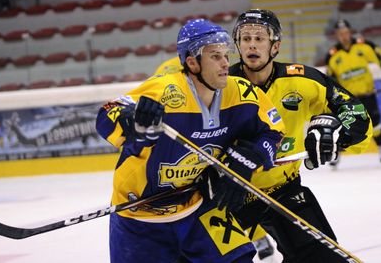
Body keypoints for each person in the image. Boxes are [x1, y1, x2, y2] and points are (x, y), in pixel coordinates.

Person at [96, 19, 285, 262]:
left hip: (198, 206)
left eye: (226, 55)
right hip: (140, 216)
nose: (226, 63)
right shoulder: (165, 90)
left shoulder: (240, 92)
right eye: (215, 56)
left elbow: (273, 131)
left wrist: (248, 160)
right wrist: (133, 120)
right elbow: (107, 114)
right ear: (192, 62)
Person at [229, 9, 373, 262]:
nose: (252, 44)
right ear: (237, 45)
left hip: (284, 189)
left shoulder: (303, 80)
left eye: (259, 38)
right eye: (245, 38)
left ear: (275, 46)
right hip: (228, 193)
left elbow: (356, 112)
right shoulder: (221, 84)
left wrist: (338, 130)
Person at [325, 19, 381, 166]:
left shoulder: (362, 46)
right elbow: (330, 77)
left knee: (375, 123)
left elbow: (380, 55)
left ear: (350, 32)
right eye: (340, 33)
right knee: (341, 125)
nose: (344, 36)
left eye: (346, 32)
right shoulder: (333, 55)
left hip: (367, 94)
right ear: (337, 35)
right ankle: (336, 153)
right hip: (348, 99)